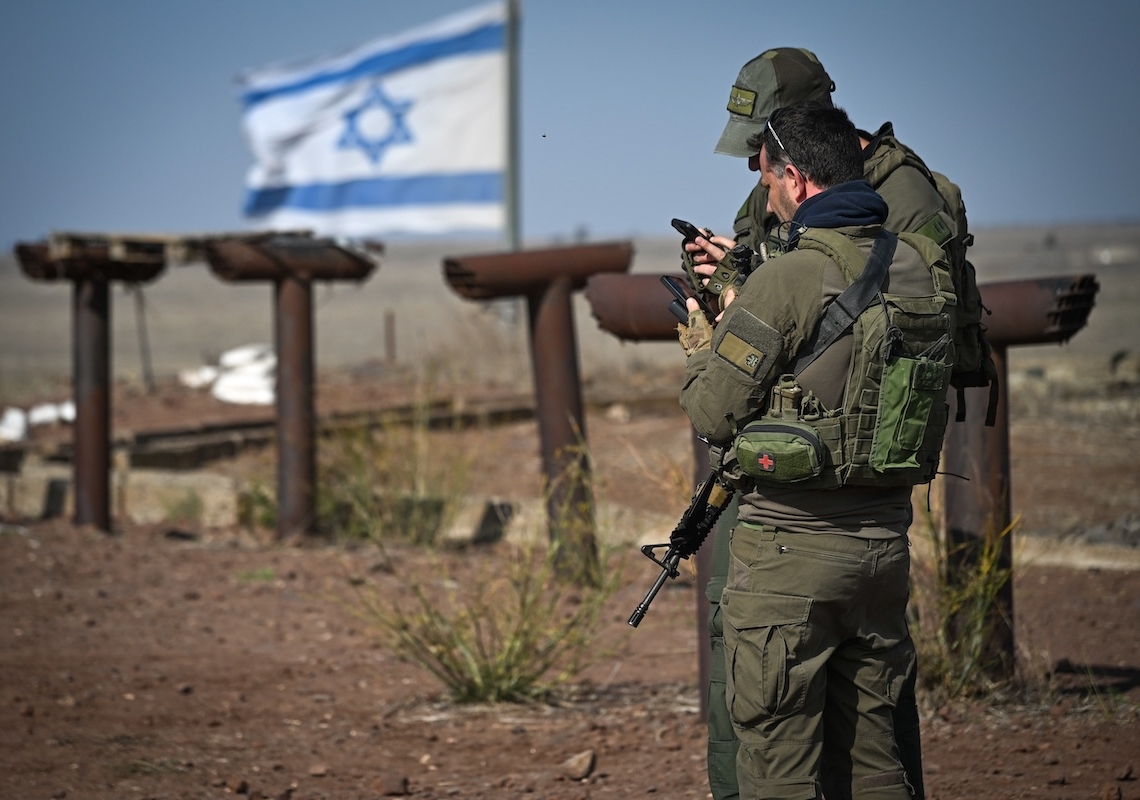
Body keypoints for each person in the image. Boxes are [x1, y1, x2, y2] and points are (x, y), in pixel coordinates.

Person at [688, 46, 965, 800]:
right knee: (876, 758)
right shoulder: (914, 258)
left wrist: (708, 327)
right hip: (880, 534)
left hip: (791, 541)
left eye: (766, 167)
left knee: (776, 761)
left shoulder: (797, 269)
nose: (759, 182)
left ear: (798, 176)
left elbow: (714, 409)